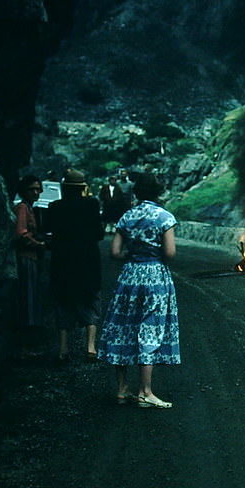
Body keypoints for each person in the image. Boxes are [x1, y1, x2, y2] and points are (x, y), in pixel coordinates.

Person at [97, 172, 179, 408]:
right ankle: (146, 392)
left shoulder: (127, 217)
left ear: (137, 192)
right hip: (155, 276)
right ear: (159, 192)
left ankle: (122, 389)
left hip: (130, 275)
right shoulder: (164, 217)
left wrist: (133, 255)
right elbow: (170, 253)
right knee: (149, 328)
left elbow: (114, 253)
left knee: (123, 326)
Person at [46, 169, 104, 362]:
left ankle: (63, 348)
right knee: (90, 301)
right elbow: (99, 233)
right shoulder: (91, 205)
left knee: (63, 301)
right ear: (82, 188)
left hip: (62, 261)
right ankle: (90, 346)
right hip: (87, 261)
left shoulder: (54, 207)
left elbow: (48, 230)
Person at [13, 174, 47, 358]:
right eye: (31, 189)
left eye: (37, 189)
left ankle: (25, 346)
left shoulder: (30, 209)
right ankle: (22, 347)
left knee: (29, 299)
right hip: (25, 258)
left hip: (31, 259)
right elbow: (21, 234)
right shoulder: (23, 209)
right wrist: (38, 244)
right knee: (25, 300)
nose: (35, 192)